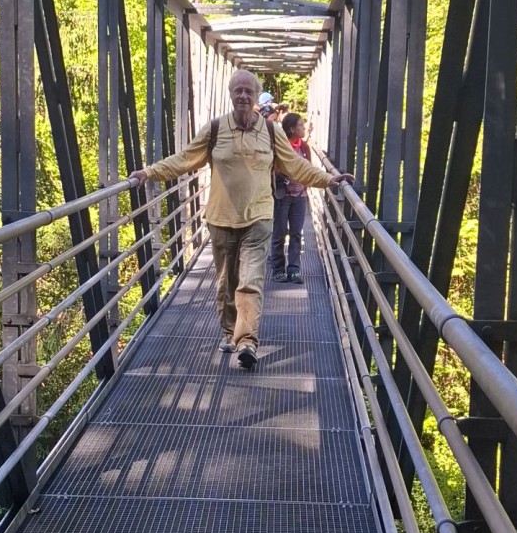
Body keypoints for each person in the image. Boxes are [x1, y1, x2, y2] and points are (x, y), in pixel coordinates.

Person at [130, 70, 351, 369]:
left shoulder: (271, 132)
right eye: (238, 91)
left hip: (259, 217)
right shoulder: (215, 130)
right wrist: (149, 172)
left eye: (249, 91)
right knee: (226, 284)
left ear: (256, 96)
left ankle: (247, 341)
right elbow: (184, 159)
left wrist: (329, 179)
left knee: (249, 282)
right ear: (231, 95)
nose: (243, 96)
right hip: (221, 219)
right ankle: (228, 331)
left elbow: (296, 166)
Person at [271, 111, 311, 284]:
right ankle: (278, 269)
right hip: (283, 195)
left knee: (296, 233)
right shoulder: (280, 146)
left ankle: (294, 270)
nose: (304, 128)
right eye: (301, 125)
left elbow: (309, 168)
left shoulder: (304, 147)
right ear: (292, 129)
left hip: (300, 195)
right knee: (279, 233)